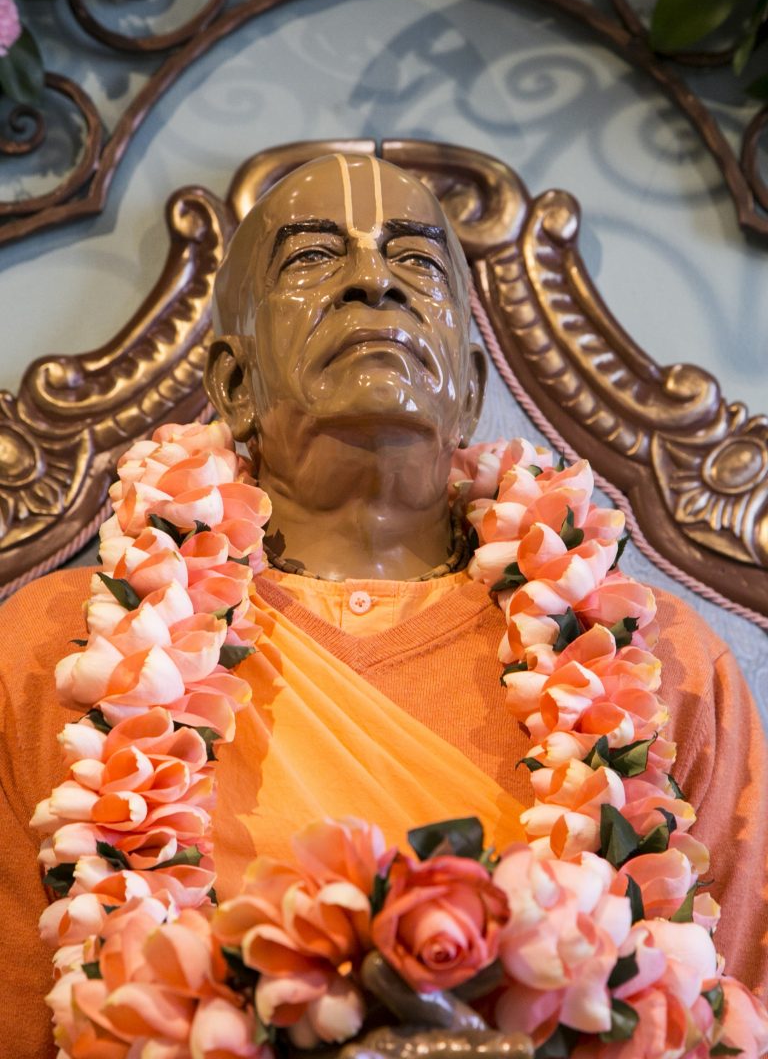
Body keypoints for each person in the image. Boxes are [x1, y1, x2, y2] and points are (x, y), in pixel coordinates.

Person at [2, 153, 767, 1057]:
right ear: (234, 385)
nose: (373, 281)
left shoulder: (653, 659)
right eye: (312, 257)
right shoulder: (65, 651)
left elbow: (728, 1018)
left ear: (471, 391)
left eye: (415, 260)